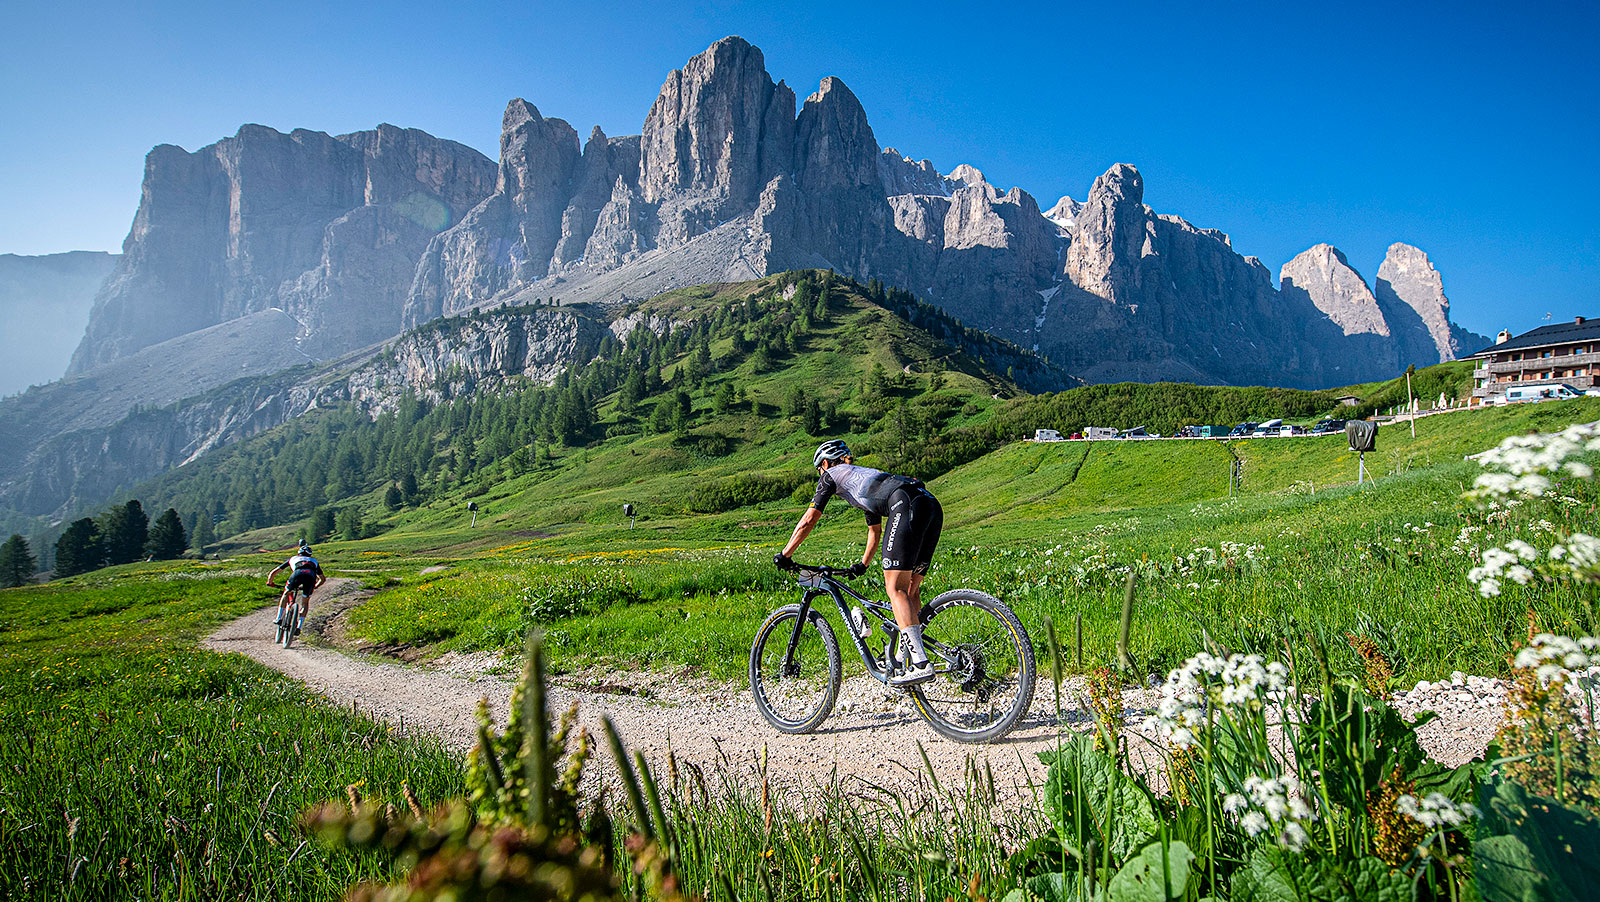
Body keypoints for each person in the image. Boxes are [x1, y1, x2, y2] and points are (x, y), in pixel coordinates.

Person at [775, 439, 944, 686]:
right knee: (910, 591)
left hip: (905, 503)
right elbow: (874, 531)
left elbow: (809, 519)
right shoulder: (864, 480)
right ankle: (901, 659)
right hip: (929, 504)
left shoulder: (831, 475)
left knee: (894, 589)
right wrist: (863, 565)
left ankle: (920, 664)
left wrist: (786, 553)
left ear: (824, 464)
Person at [267, 542, 326, 635]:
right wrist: (315, 586)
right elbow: (322, 579)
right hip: (310, 578)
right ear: (310, 554)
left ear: (299, 553)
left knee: (286, 593)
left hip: (297, 575)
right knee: (305, 603)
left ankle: (279, 618)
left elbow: (274, 572)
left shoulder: (293, 558)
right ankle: (299, 627)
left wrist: (270, 582)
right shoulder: (314, 561)